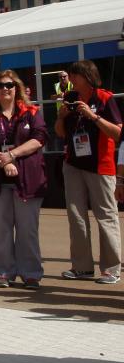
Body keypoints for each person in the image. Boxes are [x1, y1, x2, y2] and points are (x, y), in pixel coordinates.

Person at [0, 70, 48, 289]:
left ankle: (31, 273)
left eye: (9, 85)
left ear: (16, 88)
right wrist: (3, 162)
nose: (5, 89)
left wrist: (13, 155)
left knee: (28, 228)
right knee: (2, 228)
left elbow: (40, 138)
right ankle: (4, 271)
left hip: (28, 179)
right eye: (0, 85)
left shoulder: (31, 112)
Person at [55, 60, 122, 285]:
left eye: (74, 75)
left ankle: (111, 269)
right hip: (73, 164)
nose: (70, 79)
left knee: (106, 217)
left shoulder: (105, 98)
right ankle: (82, 267)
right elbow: (60, 133)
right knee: (77, 217)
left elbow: (117, 133)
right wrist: (61, 116)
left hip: (100, 166)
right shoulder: (70, 98)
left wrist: (94, 116)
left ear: (86, 76)